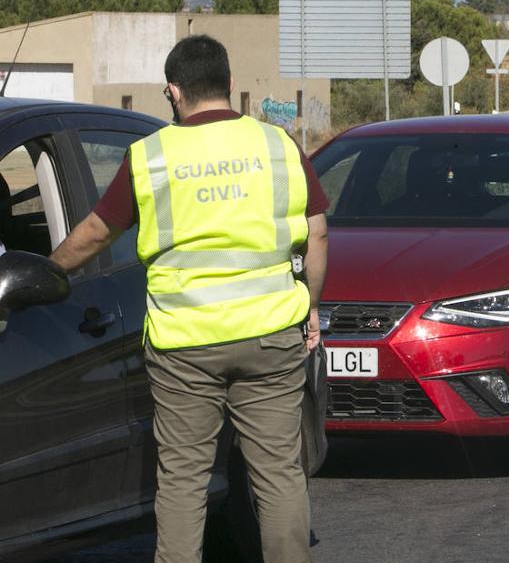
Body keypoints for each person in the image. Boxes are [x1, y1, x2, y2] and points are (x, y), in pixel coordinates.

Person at [49, 35, 330, 562]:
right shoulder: (279, 145)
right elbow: (317, 233)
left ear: (172, 92)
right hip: (270, 337)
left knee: (182, 481)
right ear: (229, 84)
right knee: (278, 475)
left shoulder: (151, 156)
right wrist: (310, 304)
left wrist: (47, 271)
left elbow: (95, 232)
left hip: (184, 347)